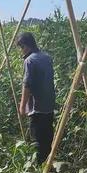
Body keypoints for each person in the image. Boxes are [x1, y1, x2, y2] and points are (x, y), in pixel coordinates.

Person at [17, 32, 55, 164]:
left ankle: (39, 170)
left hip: (37, 107)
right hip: (49, 105)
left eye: (21, 47)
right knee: (47, 137)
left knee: (37, 140)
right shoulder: (47, 57)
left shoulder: (29, 60)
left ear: (26, 45)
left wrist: (22, 106)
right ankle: (48, 164)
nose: (21, 50)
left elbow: (27, 85)